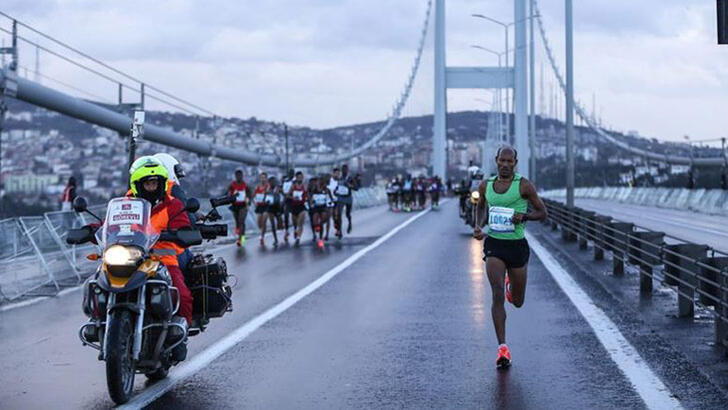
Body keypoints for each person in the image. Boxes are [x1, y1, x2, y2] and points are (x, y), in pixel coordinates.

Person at [472, 146, 547, 369]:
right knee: (496, 295)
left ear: (515, 162)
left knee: (517, 301)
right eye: (501, 161)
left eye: (509, 161)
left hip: (517, 246)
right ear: (496, 161)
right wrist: (478, 225)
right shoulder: (486, 185)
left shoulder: (524, 185)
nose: (505, 164)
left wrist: (523, 216)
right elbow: (481, 207)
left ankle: (510, 288)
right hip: (494, 244)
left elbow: (543, 213)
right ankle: (502, 348)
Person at [227, 169, 252, 247]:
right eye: (237, 176)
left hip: (243, 205)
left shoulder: (245, 185)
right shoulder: (232, 185)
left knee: (241, 221)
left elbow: (249, 194)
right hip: (235, 205)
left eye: (240, 176)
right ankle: (241, 234)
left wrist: (249, 200)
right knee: (237, 222)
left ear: (242, 176)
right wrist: (230, 197)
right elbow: (228, 193)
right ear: (235, 176)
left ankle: (241, 239)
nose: (239, 177)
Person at [333, 164, 359, 237]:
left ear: (348, 170)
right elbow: (337, 187)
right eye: (343, 170)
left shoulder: (350, 178)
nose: (344, 171)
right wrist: (335, 191)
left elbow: (356, 188)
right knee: (338, 214)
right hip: (340, 197)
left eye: (345, 170)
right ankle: (340, 231)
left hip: (348, 198)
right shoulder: (340, 178)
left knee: (347, 213)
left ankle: (350, 223)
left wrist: (350, 186)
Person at [287, 171, 307, 246]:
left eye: (301, 177)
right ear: (296, 178)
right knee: (295, 223)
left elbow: (308, 195)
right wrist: (293, 197)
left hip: (302, 206)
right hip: (294, 206)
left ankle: (298, 238)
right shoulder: (293, 186)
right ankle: (295, 231)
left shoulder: (304, 186)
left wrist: (306, 198)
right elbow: (287, 196)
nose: (300, 178)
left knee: (300, 223)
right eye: (298, 177)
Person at [264, 176, 284, 247]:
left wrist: (282, 202)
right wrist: (266, 201)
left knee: (280, 223)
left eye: (273, 182)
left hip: (277, 207)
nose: (272, 183)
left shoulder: (278, 188)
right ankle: (275, 239)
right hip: (270, 207)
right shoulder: (267, 189)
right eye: (271, 182)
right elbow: (264, 198)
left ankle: (284, 233)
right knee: (272, 224)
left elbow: (283, 195)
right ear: (269, 183)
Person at [253, 172, 269, 246]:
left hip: (266, 206)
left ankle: (262, 236)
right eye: (262, 178)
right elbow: (253, 196)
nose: (263, 179)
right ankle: (262, 231)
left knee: (264, 220)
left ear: (266, 179)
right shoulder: (257, 187)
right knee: (259, 223)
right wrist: (255, 202)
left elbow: (270, 195)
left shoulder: (268, 187)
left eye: (264, 178)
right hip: (259, 206)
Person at [281, 169, 295, 243]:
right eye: (290, 173)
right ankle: (286, 231)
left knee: (294, 216)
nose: (291, 175)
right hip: (287, 200)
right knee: (286, 215)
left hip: (294, 200)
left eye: (292, 174)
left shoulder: (295, 181)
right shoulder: (285, 181)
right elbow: (282, 190)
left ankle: (295, 229)